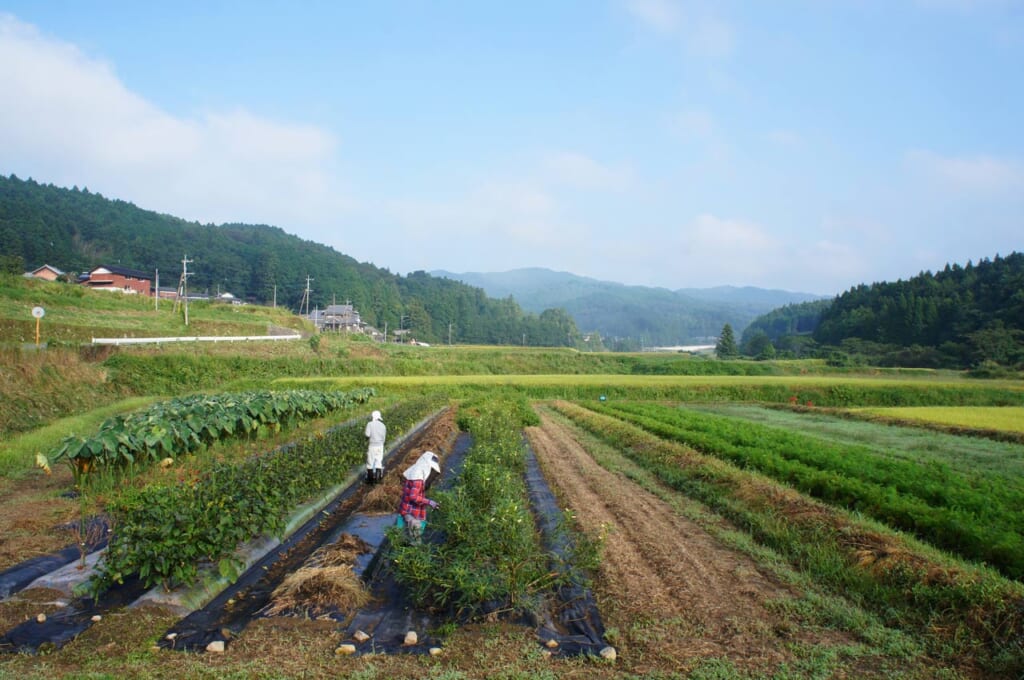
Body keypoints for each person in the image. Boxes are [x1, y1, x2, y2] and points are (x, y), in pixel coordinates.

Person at [397, 451, 441, 544]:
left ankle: (405, 546)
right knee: (416, 538)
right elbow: (413, 496)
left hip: (408, 509)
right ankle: (413, 554)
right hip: (412, 512)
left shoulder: (415, 472)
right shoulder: (418, 478)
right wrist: (429, 502)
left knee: (410, 532)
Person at [364, 410, 386, 484]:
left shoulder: (370, 424)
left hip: (372, 445)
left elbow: (367, 435)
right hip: (380, 445)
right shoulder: (383, 425)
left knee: (370, 463)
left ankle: (370, 480)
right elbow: (384, 437)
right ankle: (378, 477)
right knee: (378, 461)